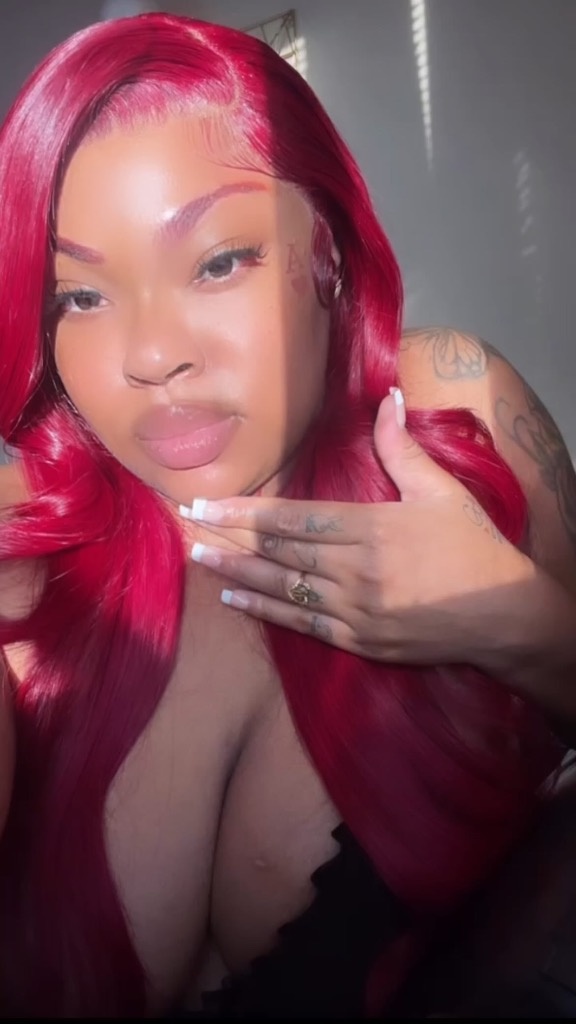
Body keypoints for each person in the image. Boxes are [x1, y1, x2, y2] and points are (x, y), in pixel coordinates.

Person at [0, 11, 574, 1018]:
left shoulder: (453, 405)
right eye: (79, 297)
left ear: (328, 253)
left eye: (220, 260)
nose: (152, 355)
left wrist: (514, 620)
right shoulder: (24, 553)